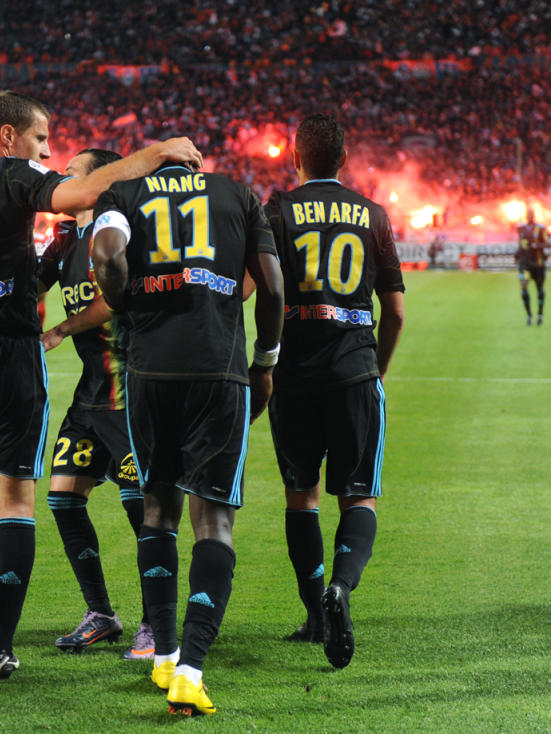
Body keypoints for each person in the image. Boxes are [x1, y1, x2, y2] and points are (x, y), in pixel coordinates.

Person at [0, 90, 202, 681]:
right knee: (18, 505)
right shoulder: (18, 176)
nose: (46, 152)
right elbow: (79, 191)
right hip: (12, 355)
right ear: (7, 137)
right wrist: (157, 151)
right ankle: (0, 643)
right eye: (41, 140)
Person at [91, 154, 285, 715]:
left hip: (149, 371)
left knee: (158, 510)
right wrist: (266, 361)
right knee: (214, 519)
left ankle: (163, 657)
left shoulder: (125, 194)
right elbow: (271, 287)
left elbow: (106, 255)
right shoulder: (238, 195)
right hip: (218, 370)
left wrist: (129, 306)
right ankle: (192, 671)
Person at [263, 113, 405, 669]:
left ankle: (315, 614)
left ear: (294, 158)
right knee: (359, 495)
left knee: (302, 496)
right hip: (354, 372)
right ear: (343, 159)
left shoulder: (276, 210)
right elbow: (394, 311)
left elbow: (254, 288)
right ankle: (341, 588)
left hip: (294, 377)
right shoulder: (372, 215)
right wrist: (378, 368)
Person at [38, 148, 154, 659]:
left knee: (143, 512)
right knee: (63, 497)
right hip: (90, 393)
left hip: (128, 391)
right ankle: (101, 613)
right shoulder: (66, 241)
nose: (62, 176)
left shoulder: (117, 229)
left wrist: (62, 326)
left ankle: (156, 623)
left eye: (72, 171)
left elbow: (117, 296)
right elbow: (27, 284)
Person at [515, 208, 547, 325]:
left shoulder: (541, 228)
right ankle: (529, 316)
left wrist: (537, 245)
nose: (529, 216)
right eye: (527, 214)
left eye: (531, 214)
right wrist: (517, 255)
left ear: (534, 215)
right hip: (525, 264)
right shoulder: (521, 228)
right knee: (524, 286)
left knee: (539, 289)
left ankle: (540, 314)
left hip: (538, 264)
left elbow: (548, 242)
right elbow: (521, 243)